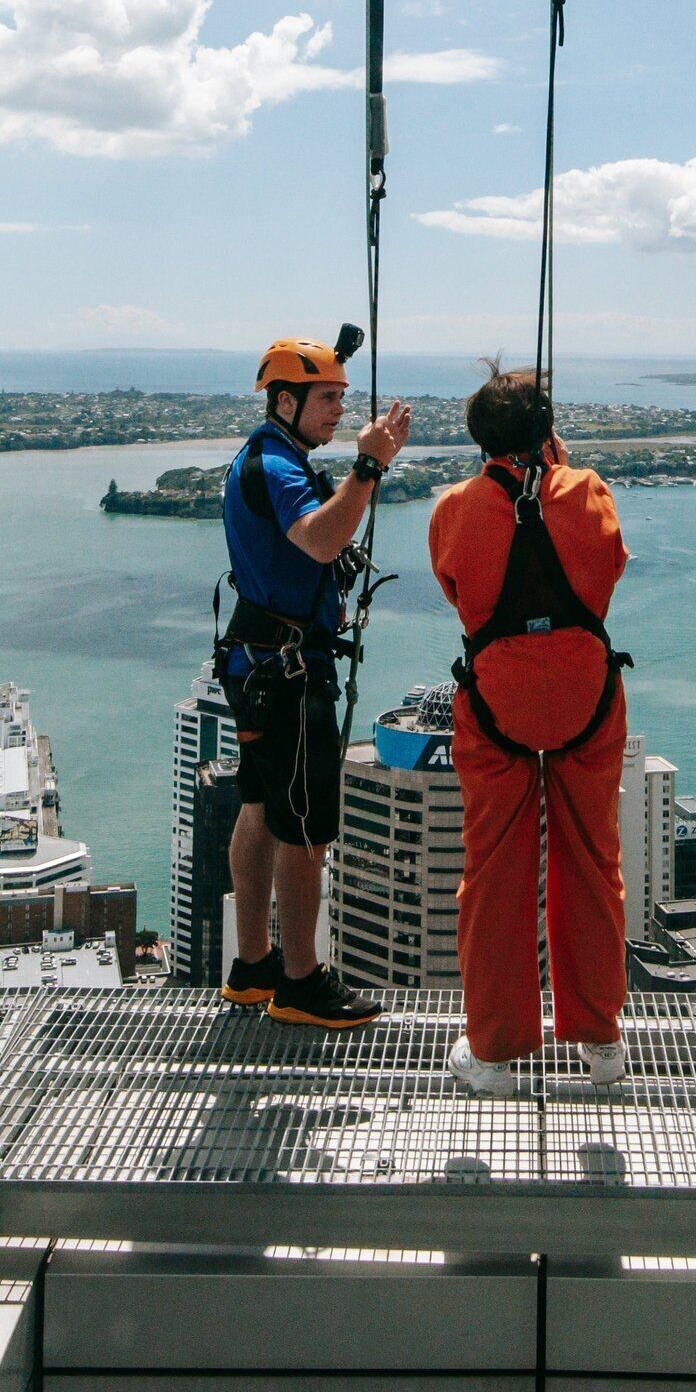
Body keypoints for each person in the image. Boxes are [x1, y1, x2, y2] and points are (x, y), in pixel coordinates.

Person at [427, 366, 634, 1096]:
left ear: (480, 437)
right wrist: (563, 470)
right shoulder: (586, 490)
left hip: (496, 704)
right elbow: (609, 567)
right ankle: (600, 1039)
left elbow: (458, 594)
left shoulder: (453, 508)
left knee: (494, 876)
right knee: (590, 861)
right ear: (547, 433)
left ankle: (492, 1053)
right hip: (584, 692)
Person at [219, 332, 412, 1030]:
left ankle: (252, 965)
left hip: (256, 660)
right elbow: (321, 541)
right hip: (290, 672)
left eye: (339, 397)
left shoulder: (268, 455)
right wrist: (368, 465)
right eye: (326, 398)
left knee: (260, 806)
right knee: (304, 828)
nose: (338, 410)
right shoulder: (278, 467)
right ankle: (299, 983)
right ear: (285, 399)